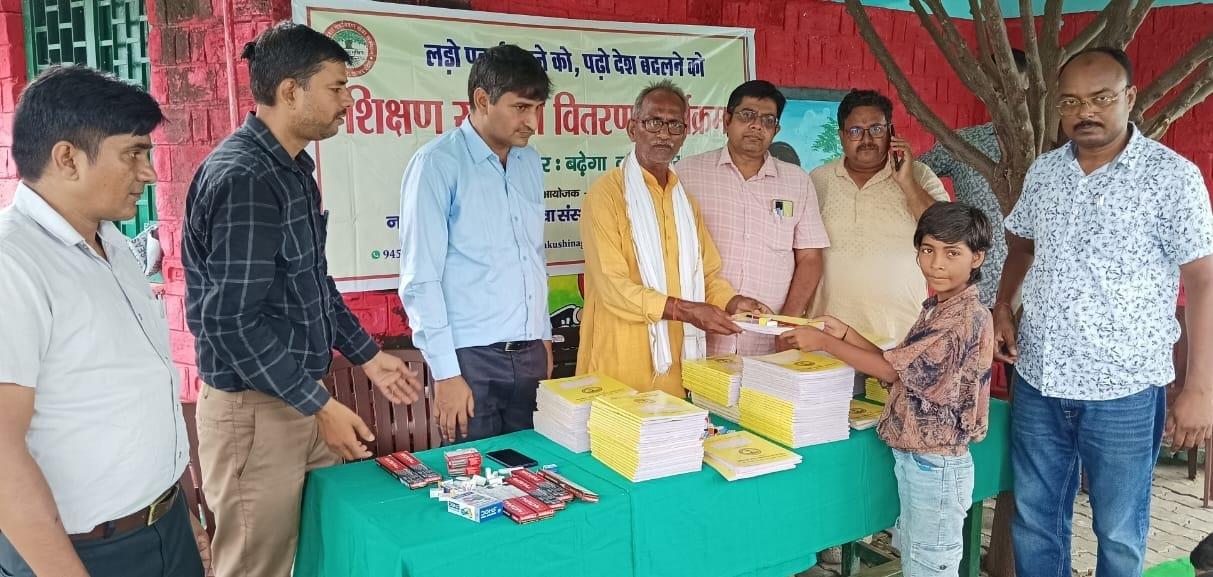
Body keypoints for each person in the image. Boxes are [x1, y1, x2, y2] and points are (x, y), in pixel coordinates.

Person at [182, 22, 422, 577]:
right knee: (256, 566)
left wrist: (368, 355)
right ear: (290, 91)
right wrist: (320, 405)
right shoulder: (244, 177)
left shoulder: (292, 171)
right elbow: (229, 323)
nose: (348, 102)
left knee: (320, 552)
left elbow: (313, 283)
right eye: (336, 87)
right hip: (255, 413)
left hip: (299, 396)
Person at [996, 47, 1213, 577]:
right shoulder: (1045, 172)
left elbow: (1204, 281)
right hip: (1040, 379)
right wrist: (1002, 305)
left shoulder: (1172, 177)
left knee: (1118, 530)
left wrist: (1201, 388)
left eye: (1100, 98)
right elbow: (1020, 244)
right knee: (1035, 520)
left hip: (1125, 391)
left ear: (1130, 97)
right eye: (1071, 101)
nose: (1085, 112)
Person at [0, 66, 202, 577]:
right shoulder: (13, 263)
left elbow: (138, 391)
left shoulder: (111, 242)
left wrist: (176, 508)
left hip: (162, 526)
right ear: (68, 158)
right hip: (82, 553)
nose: (149, 173)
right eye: (133, 153)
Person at [781, 201, 994, 577]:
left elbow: (890, 371)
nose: (936, 264)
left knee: (930, 563)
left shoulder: (962, 317)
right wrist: (846, 333)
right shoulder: (939, 307)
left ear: (976, 258)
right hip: (922, 458)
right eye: (927, 250)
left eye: (952, 253)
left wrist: (825, 342)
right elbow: (900, 365)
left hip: (937, 462)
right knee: (915, 555)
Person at [398, 44, 554, 444]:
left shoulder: (529, 162)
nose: (532, 122)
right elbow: (421, 278)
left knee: (537, 471)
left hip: (530, 355)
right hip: (470, 359)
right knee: (474, 475)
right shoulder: (437, 164)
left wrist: (543, 336)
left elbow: (532, 256)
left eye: (538, 108)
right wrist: (446, 373)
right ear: (482, 100)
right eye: (521, 107)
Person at [577, 80, 770, 395]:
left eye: (674, 125)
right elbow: (613, 287)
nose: (664, 134)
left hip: (679, 366)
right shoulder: (606, 195)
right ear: (632, 129)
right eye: (654, 122)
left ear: (684, 134)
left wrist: (733, 302)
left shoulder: (684, 201)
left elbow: (706, 274)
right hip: (620, 362)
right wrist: (686, 310)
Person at [677, 80, 829, 356]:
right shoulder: (686, 174)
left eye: (768, 120)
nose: (757, 126)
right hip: (699, 335)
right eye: (747, 115)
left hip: (768, 340)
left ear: (776, 130)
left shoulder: (797, 181)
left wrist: (786, 324)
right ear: (726, 121)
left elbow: (810, 257)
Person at [809, 89, 949, 343]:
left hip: (899, 335)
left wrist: (907, 182)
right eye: (855, 131)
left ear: (891, 132)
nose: (866, 139)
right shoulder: (818, 180)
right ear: (841, 136)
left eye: (876, 129)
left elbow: (946, 232)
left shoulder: (919, 175)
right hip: (828, 334)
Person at [920, 49, 1028, 309]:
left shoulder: (1052, 149)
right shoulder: (962, 143)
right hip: (973, 293)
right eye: (994, 88)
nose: (1002, 95)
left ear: (1028, 85)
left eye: (1012, 86)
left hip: (1035, 297)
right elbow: (912, 173)